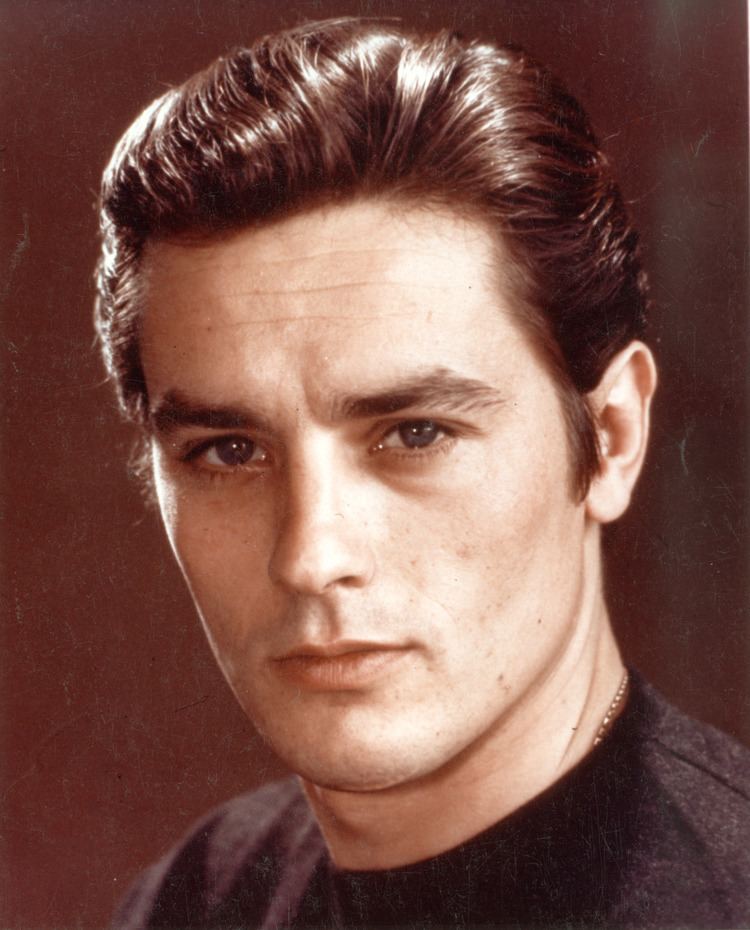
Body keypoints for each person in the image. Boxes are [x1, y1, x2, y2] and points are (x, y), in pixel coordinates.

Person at [95, 18, 750, 929]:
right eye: (229, 450)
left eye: (414, 434)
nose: (311, 557)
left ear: (611, 435)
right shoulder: (198, 897)